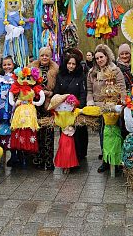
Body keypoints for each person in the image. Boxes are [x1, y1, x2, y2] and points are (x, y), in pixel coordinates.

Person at [86, 44, 126, 173]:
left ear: (107, 57)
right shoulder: (92, 73)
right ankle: (105, 159)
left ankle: (116, 159)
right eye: (97, 58)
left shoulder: (115, 70)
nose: (99, 60)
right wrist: (90, 101)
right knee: (103, 134)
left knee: (114, 134)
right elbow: (89, 90)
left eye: (101, 57)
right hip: (98, 107)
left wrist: (121, 103)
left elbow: (122, 88)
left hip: (112, 107)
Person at [53, 50, 88, 161]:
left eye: (73, 64)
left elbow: (83, 93)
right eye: (69, 63)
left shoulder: (81, 76)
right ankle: (66, 156)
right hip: (63, 111)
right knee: (65, 134)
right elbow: (57, 92)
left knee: (78, 135)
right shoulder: (60, 76)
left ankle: (79, 156)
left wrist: (79, 107)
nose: (71, 66)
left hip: (76, 110)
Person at [30, 47, 59, 170]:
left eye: (47, 55)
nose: (44, 58)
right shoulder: (31, 69)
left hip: (48, 105)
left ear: (50, 57)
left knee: (48, 134)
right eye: (42, 55)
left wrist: (50, 93)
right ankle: (38, 160)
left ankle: (48, 161)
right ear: (39, 56)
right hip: (35, 104)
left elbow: (58, 87)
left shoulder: (55, 70)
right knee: (36, 133)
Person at [0, 56, 17, 166]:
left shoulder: (17, 79)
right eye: (5, 64)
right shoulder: (0, 79)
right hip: (1, 110)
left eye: (9, 64)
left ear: (13, 65)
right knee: (1, 133)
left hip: (12, 109)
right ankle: (0, 158)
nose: (7, 67)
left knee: (13, 133)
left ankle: (14, 157)